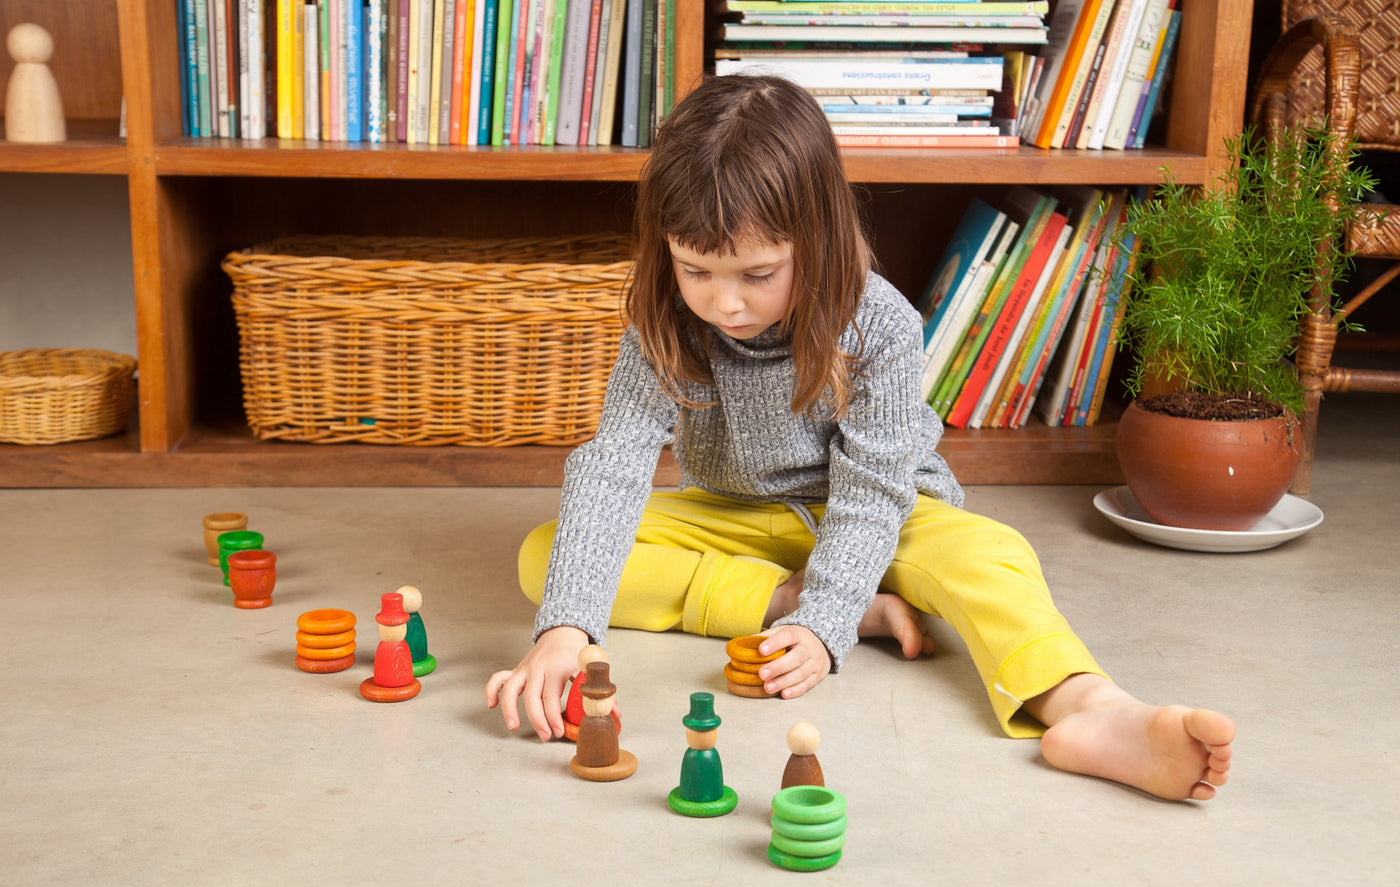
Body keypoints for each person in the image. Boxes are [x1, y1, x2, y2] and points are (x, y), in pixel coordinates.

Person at [484, 74, 1235, 801]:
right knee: (546, 554)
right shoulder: (662, 321)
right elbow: (613, 463)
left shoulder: (881, 324)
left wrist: (826, 624)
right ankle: (794, 599)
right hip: (740, 521)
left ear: (812, 240)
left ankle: (1090, 707)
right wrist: (565, 630)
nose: (724, 301)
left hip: (884, 516)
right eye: (695, 269)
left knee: (990, 554)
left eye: (757, 272)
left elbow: (875, 491)